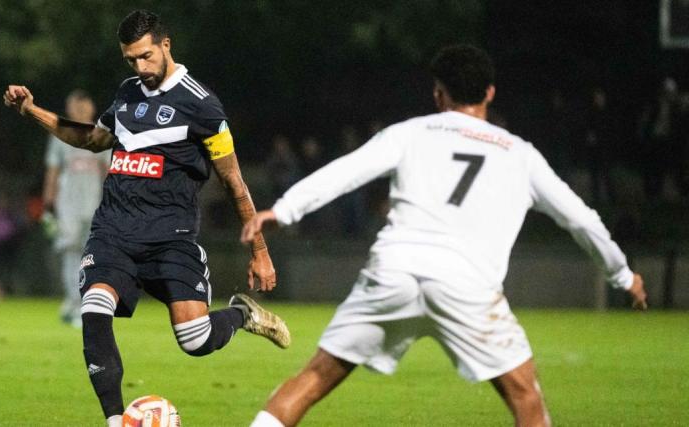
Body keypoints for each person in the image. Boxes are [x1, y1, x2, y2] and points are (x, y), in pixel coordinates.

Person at [241, 45, 648, 427]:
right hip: (467, 284)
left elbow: (348, 170)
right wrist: (623, 276)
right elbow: (582, 220)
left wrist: (283, 210)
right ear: (489, 92)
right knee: (526, 398)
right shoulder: (520, 154)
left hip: (394, 271)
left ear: (439, 94)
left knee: (312, 379)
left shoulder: (412, 132)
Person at [2, 10, 290, 427]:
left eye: (145, 56)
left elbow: (234, 182)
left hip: (171, 238)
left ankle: (242, 314)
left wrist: (259, 251)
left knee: (195, 339)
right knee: (95, 306)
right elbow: (90, 139)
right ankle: (115, 420)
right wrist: (32, 110)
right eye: (131, 60)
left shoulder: (202, 106)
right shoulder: (127, 94)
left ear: (165, 45)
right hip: (113, 232)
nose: (140, 67)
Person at [42, 89, 109, 328]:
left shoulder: (101, 135)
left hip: (94, 204)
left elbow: (109, 173)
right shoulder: (60, 134)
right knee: (71, 253)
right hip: (67, 205)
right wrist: (48, 206)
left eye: (84, 105)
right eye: (75, 106)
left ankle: (81, 303)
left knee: (90, 255)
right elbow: (53, 172)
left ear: (91, 108)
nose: (80, 110)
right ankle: (74, 303)